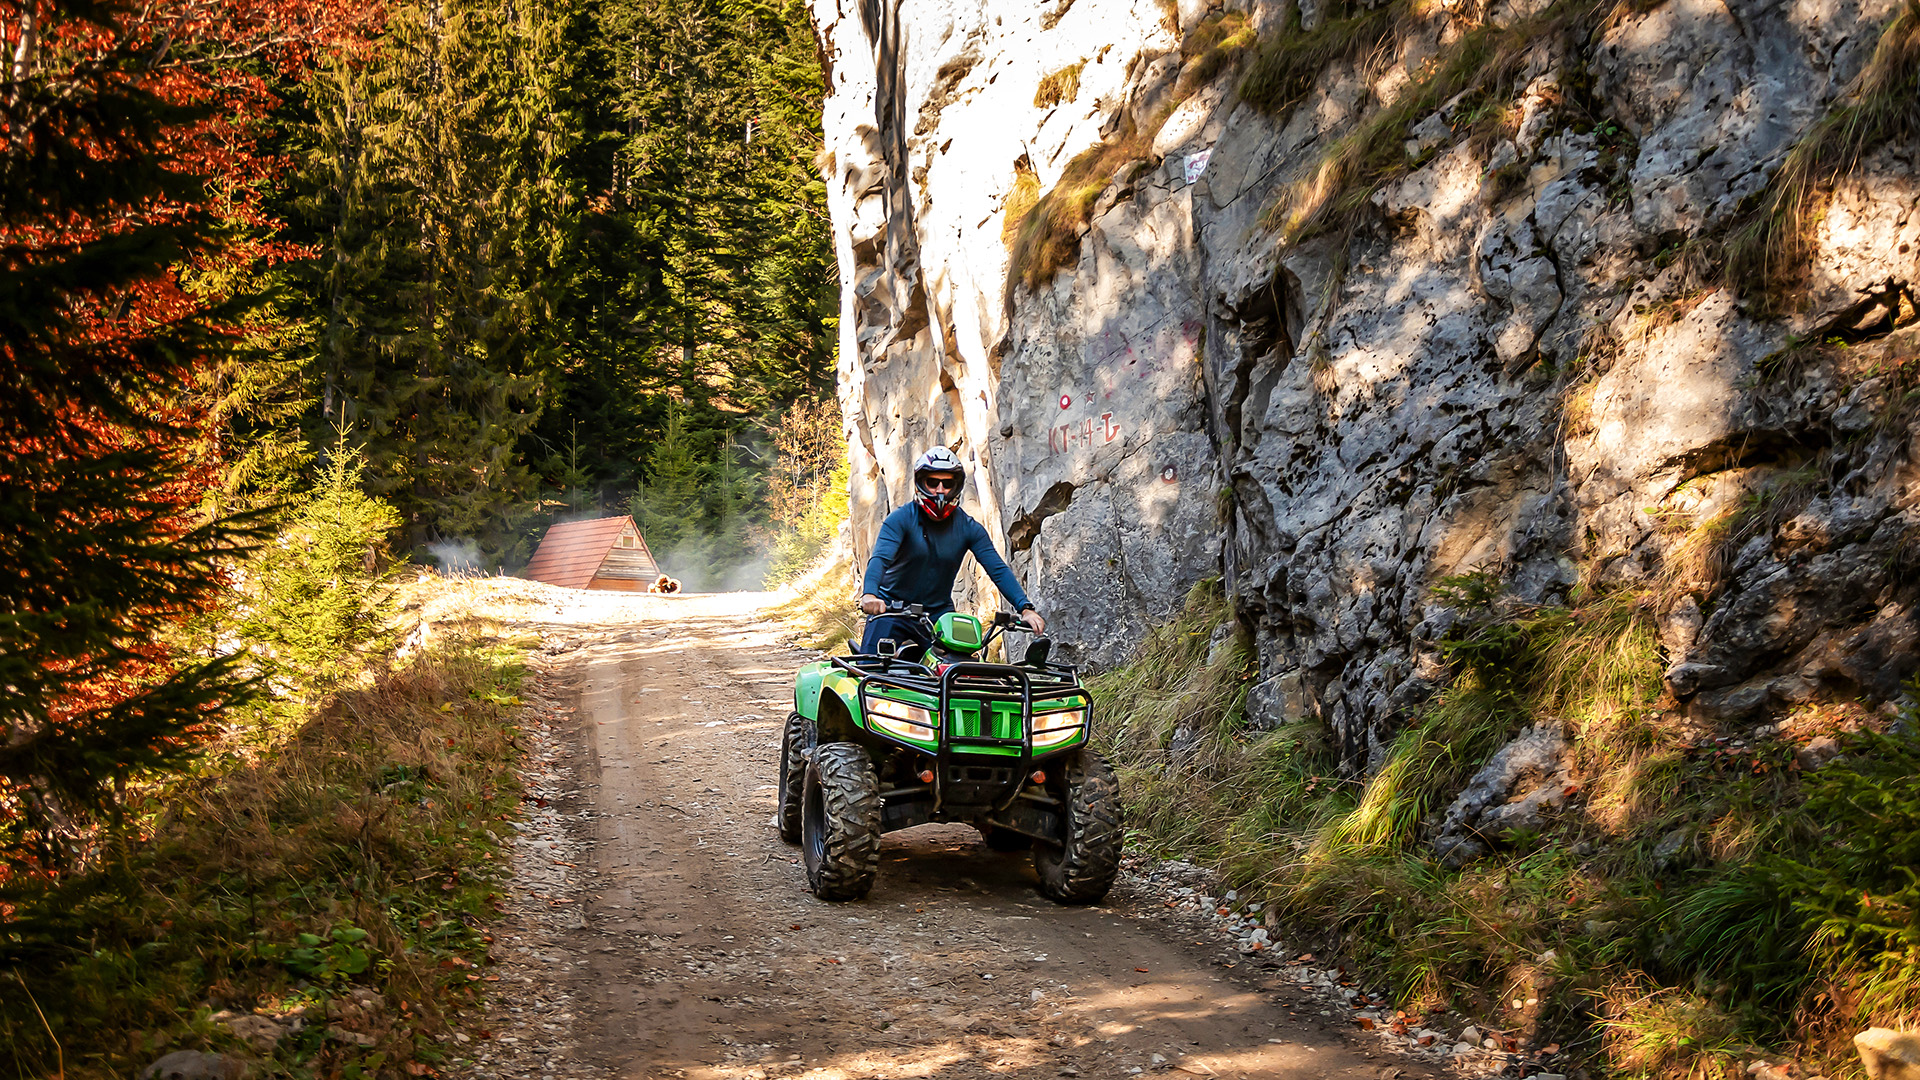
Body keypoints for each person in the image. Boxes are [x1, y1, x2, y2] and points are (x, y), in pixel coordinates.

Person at [858, 447, 1046, 658]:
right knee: (870, 668)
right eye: (932, 482)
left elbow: (998, 569)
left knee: (961, 671)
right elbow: (880, 559)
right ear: (920, 483)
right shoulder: (900, 519)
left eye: (947, 484)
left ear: (957, 486)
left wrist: (1025, 608)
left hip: (938, 616)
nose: (940, 490)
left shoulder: (969, 528)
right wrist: (870, 595)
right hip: (892, 610)